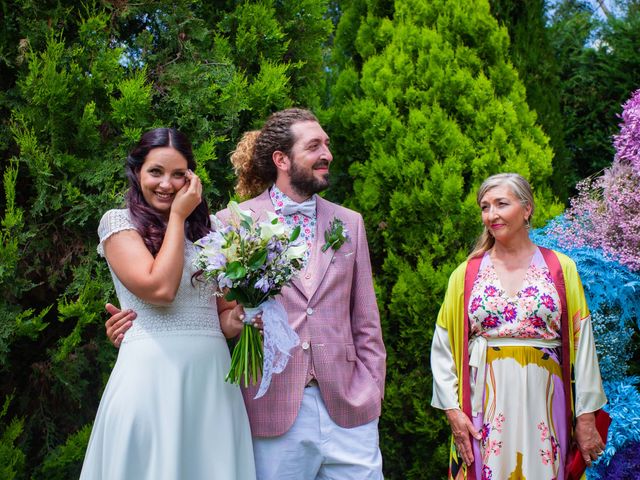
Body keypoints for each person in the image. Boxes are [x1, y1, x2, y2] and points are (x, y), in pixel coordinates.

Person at [106, 109, 387, 480]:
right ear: (281, 159)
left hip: (349, 406)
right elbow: (197, 304)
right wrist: (138, 328)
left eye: (327, 145)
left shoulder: (349, 222)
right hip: (271, 406)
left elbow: (365, 318)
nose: (327, 154)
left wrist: (371, 389)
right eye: (315, 145)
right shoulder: (229, 223)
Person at [81, 128, 256, 479]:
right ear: (137, 172)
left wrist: (236, 320)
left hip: (211, 380)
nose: (166, 184)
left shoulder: (209, 233)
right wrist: (178, 216)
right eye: (156, 172)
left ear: (191, 177)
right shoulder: (119, 224)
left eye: (178, 174)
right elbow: (160, 289)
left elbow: (219, 313)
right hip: (152, 377)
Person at [430, 173, 607, 480]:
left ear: (527, 209)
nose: (491, 214)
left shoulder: (560, 268)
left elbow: (584, 343)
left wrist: (587, 416)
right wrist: (453, 411)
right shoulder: (466, 273)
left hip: (546, 401)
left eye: (501, 204)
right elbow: (443, 345)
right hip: (482, 404)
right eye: (485, 207)